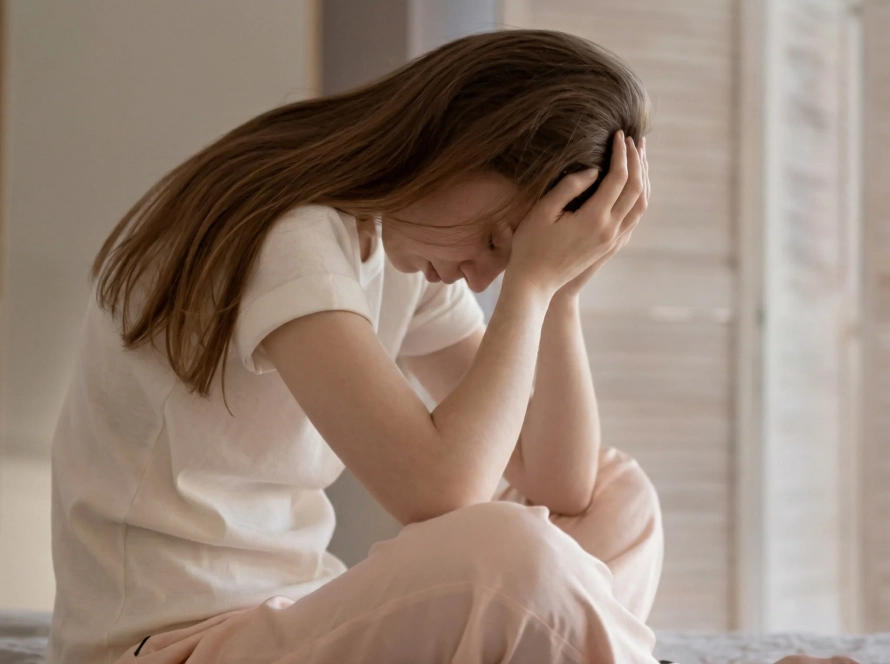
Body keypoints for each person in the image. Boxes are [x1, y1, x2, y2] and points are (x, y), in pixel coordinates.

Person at [44, 28, 856, 664]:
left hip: (288, 615)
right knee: (503, 554)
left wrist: (561, 294)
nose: (485, 275)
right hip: (177, 647)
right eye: (501, 236)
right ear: (461, 144)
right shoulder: (288, 235)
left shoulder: (399, 241)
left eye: (514, 254)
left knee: (617, 499)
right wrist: (528, 287)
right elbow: (439, 493)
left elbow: (558, 482)